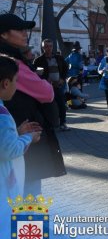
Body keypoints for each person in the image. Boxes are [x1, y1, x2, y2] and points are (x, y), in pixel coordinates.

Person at [0, 13, 66, 195]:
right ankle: (33, 225)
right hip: (23, 137)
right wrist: (24, 136)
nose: (25, 33)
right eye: (19, 29)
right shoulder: (11, 63)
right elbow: (47, 92)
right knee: (30, 197)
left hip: (16, 133)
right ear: (3, 34)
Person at [0, 54, 42, 200]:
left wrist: (17, 133)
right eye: (16, 81)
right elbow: (10, 150)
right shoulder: (2, 115)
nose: (16, 86)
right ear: (6, 83)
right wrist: (28, 137)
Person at [33, 39, 70, 131]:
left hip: (58, 86)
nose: (48, 48)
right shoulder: (38, 60)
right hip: (46, 87)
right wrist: (45, 79)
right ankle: (47, 124)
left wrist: (62, 79)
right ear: (43, 47)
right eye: (46, 46)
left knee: (61, 104)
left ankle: (63, 123)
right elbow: (35, 74)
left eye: (50, 46)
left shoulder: (59, 58)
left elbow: (66, 69)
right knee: (46, 106)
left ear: (52, 47)